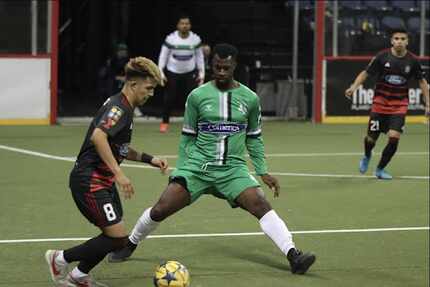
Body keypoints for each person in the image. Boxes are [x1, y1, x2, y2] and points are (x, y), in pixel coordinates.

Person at [109, 44, 316, 275]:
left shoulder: (250, 98)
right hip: (198, 168)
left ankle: (294, 256)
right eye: (217, 66)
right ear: (211, 64)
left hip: (232, 170)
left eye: (226, 67)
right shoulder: (197, 96)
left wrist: (262, 171)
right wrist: (184, 169)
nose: (221, 71)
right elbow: (187, 138)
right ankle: (130, 244)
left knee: (261, 204)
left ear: (235, 66)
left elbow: (254, 138)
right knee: (160, 209)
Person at [45, 57, 168, 287]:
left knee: (116, 239)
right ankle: (59, 258)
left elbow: (119, 147)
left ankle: (79, 276)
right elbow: (98, 136)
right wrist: (119, 174)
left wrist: (149, 159)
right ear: (133, 84)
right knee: (118, 237)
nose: (151, 94)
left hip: (102, 181)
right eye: (149, 88)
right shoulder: (118, 108)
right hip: (90, 180)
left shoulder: (126, 108)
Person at [345, 28, 429, 180]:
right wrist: (353, 87)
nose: (399, 41)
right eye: (396, 38)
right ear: (392, 41)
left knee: (394, 137)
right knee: (371, 139)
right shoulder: (382, 57)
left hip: (399, 106)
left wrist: (428, 104)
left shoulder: (413, 60)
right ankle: (367, 155)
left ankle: (380, 169)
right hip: (379, 104)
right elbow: (365, 73)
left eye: (403, 39)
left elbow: (422, 82)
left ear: (407, 41)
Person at [158, 15, 205, 133]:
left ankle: (193, 123)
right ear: (178, 25)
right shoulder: (170, 39)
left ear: (190, 25)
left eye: (187, 23)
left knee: (193, 99)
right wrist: (161, 72)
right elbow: (163, 55)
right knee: (169, 98)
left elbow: (200, 57)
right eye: (182, 23)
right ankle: (164, 122)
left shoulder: (195, 39)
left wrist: (202, 72)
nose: (185, 26)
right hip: (173, 71)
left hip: (190, 72)